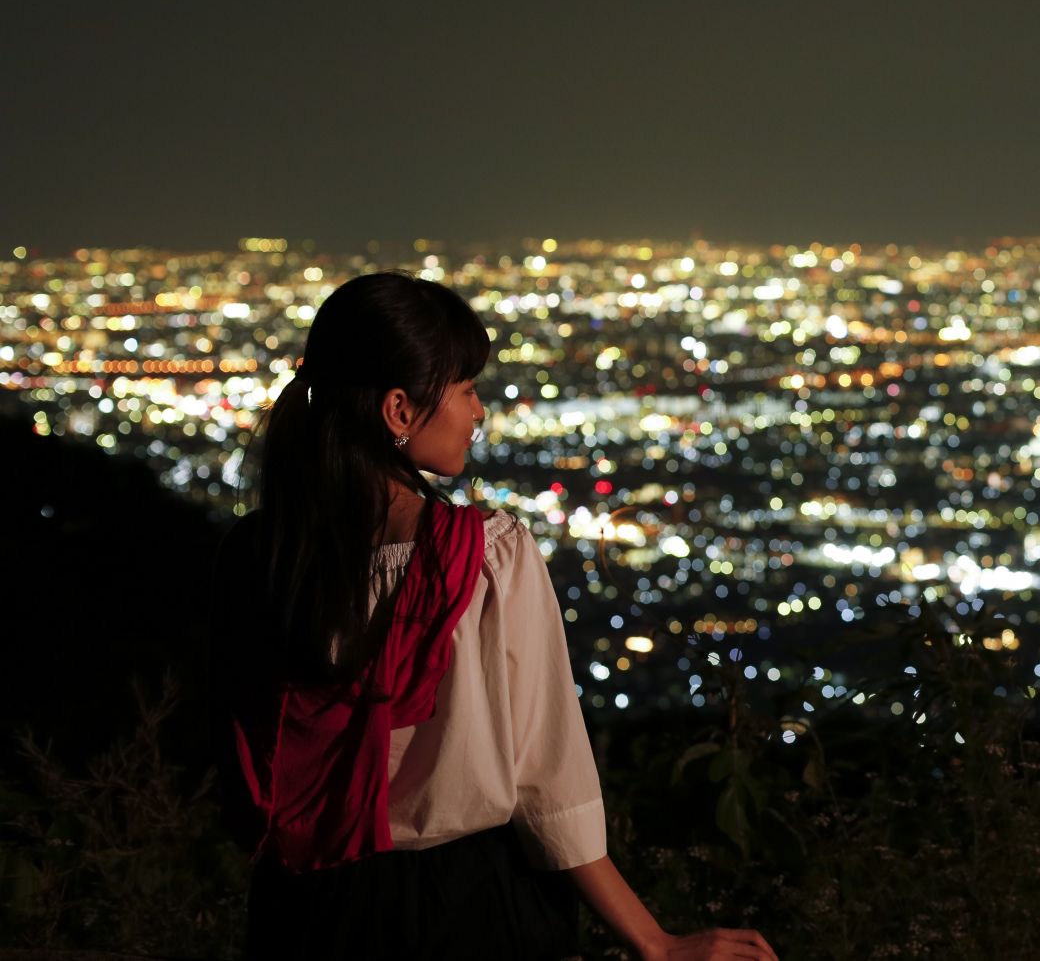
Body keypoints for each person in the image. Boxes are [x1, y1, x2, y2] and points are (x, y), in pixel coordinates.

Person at [207, 269, 778, 961]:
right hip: (466, 908)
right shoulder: (483, 558)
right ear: (398, 410)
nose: (479, 412)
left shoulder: (259, 557)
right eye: (467, 389)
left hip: (302, 912)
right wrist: (654, 942)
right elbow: (548, 779)